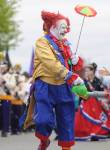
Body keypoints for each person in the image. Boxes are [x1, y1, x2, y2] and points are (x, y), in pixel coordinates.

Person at [29, 11, 84, 150]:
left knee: (66, 121)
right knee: (43, 120)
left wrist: (76, 61)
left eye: (67, 27)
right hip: (45, 86)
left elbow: (72, 66)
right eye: (63, 26)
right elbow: (50, 63)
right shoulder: (42, 42)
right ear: (52, 26)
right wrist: (71, 76)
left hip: (64, 87)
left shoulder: (65, 44)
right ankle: (44, 140)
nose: (66, 30)